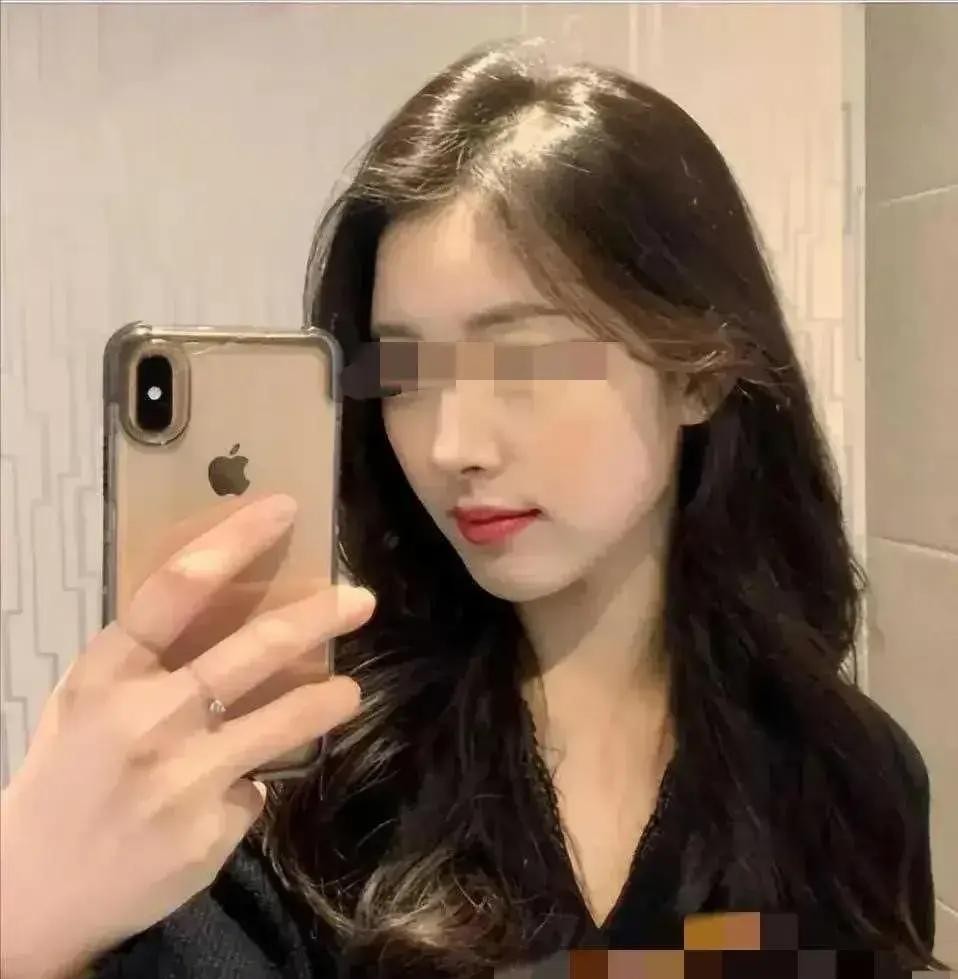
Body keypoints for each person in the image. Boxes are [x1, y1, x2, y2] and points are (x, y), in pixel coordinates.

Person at [0, 37, 944, 979]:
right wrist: (29, 918)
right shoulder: (304, 778)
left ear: (696, 373)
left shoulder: (844, 778)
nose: (450, 444)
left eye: (520, 357)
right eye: (403, 372)